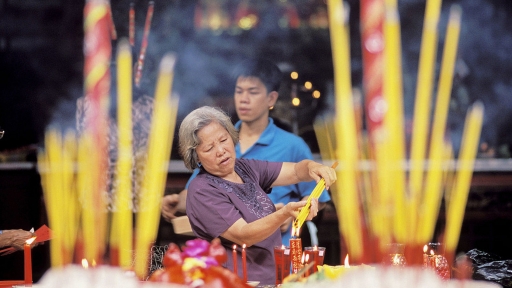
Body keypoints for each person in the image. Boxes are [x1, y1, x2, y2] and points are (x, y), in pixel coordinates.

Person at [162, 58, 331, 246]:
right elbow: (198, 192)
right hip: (234, 254)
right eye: (239, 91)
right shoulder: (215, 140)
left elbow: (316, 195)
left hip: (280, 249)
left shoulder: (292, 145)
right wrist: (177, 201)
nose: (244, 99)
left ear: (271, 99)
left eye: (252, 92)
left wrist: (292, 216)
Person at [179, 106, 336, 285]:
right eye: (209, 148)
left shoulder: (245, 168)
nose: (221, 150)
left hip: (273, 279)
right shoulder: (202, 190)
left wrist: (312, 167)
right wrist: (284, 213)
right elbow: (243, 235)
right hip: (235, 283)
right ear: (196, 156)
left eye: (223, 140)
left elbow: (294, 171)